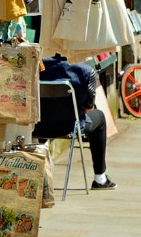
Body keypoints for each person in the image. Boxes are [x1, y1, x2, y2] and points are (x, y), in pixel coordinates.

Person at [39, 53, 113, 189]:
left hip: (38, 127)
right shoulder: (86, 71)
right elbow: (89, 108)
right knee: (100, 117)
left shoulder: (37, 68)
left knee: (48, 112)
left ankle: (42, 159)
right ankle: (100, 178)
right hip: (69, 126)